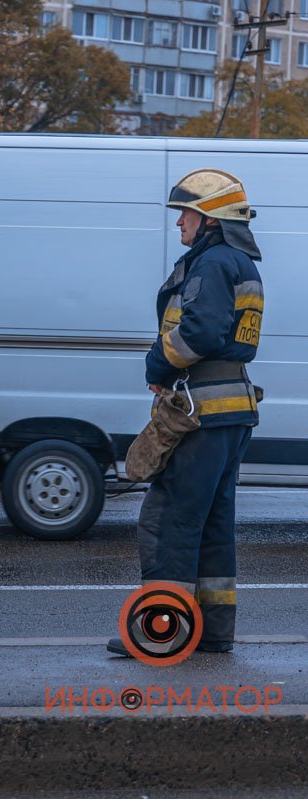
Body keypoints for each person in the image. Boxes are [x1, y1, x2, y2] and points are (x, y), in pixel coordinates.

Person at [108, 169, 263, 657]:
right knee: (213, 524)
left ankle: (163, 632)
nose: (179, 224)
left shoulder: (212, 263)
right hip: (231, 412)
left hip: (201, 415)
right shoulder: (241, 263)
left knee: (169, 521)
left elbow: (199, 333)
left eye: (186, 214)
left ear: (210, 218)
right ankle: (213, 632)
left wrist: (156, 364)